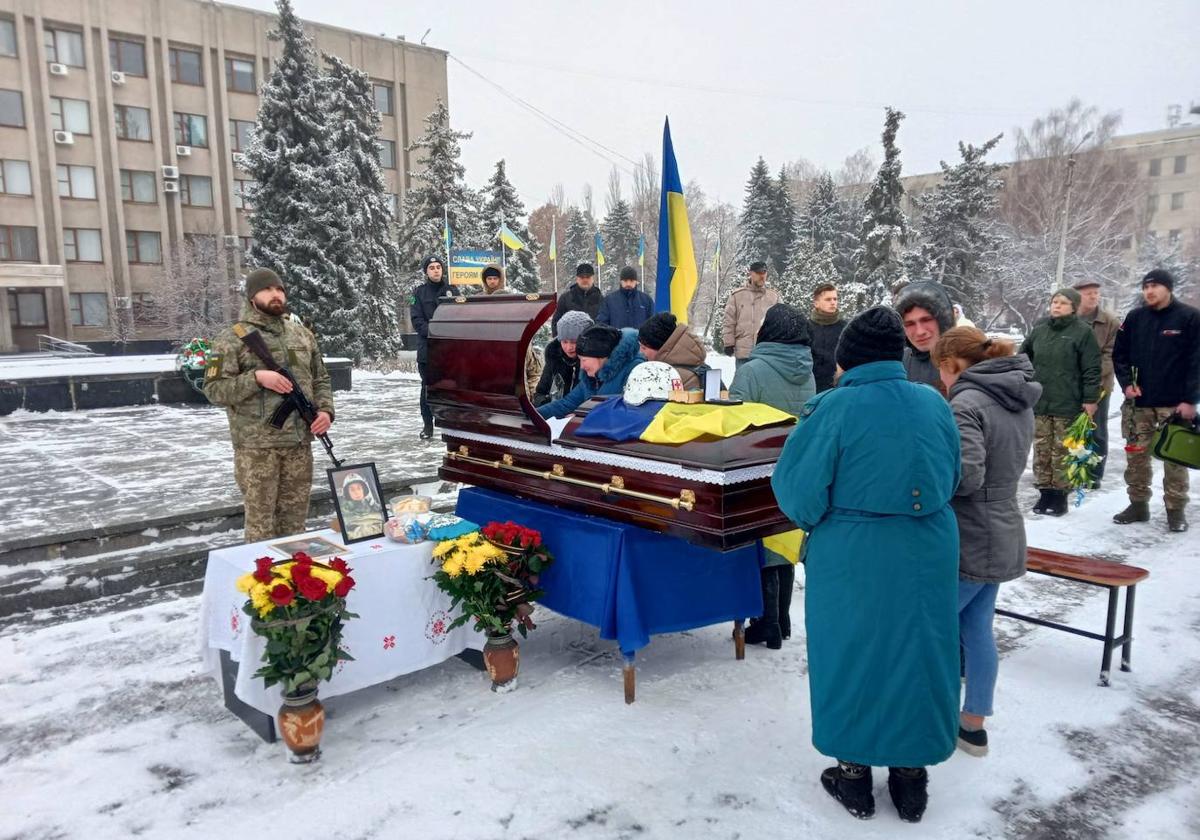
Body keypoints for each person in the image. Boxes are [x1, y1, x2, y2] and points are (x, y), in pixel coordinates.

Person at [771, 306, 961, 823]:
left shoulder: (832, 408)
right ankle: (910, 777)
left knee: (852, 652)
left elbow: (797, 495)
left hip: (855, 549)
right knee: (920, 653)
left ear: (845, 359)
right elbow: (954, 473)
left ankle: (853, 774)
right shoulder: (933, 403)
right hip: (929, 548)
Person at [932, 326, 1041, 759]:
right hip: (1005, 524)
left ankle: (928, 712)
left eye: (942, 371)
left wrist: (928, 481)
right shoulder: (1016, 395)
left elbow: (968, 474)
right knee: (977, 629)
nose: (941, 381)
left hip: (972, 531)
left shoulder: (967, 401)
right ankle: (973, 725)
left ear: (952, 364)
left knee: (932, 625)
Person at [204, 268, 334, 543]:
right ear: (252, 297)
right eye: (267, 289)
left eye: (280, 289)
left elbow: (320, 377)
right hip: (257, 450)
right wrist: (257, 378)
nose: (276, 295)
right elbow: (214, 390)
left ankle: (296, 582)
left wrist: (325, 411)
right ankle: (264, 584)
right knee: (261, 527)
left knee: (295, 525)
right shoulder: (231, 338)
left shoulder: (302, 335)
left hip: (299, 445)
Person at [729, 303, 815, 649]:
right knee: (786, 537)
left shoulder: (753, 370)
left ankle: (766, 624)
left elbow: (735, 421)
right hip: (795, 465)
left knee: (762, 542)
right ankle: (783, 620)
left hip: (758, 467)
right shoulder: (806, 370)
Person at [1112, 268, 1200, 533]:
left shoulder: (1189, 318)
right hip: (1140, 404)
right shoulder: (1135, 318)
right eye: (1145, 287)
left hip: (1173, 406)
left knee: (1174, 460)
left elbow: (1197, 362)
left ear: (1168, 289)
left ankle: (1175, 510)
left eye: (1155, 286)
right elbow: (1120, 354)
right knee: (1136, 457)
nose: (1149, 291)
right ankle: (1138, 504)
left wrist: (1189, 400)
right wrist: (1127, 384)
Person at [1020, 288, 1101, 517]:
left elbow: (1091, 368)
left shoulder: (1082, 332)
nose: (1057, 306)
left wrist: (1090, 398)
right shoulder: (1039, 331)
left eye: (1063, 303)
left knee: (1062, 451)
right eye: (1054, 302)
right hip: (1041, 401)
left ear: (1074, 307)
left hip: (1068, 402)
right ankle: (1044, 492)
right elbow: (1023, 358)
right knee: (1042, 450)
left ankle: (1060, 497)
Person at [536, 324, 644, 419]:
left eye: (584, 360)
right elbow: (567, 403)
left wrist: (584, 417)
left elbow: (628, 412)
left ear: (601, 356)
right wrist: (535, 414)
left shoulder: (636, 370)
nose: (582, 366)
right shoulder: (590, 377)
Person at [1074, 279, 1121, 488]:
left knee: (1096, 430)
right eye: (1088, 293)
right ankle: (1073, 471)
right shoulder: (1069, 318)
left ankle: (1094, 475)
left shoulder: (1109, 321)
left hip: (1099, 386)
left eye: (1096, 293)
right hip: (1069, 385)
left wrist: (1087, 375)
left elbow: (1110, 354)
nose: (1093, 297)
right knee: (1072, 429)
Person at [410, 255, 453, 439]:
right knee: (427, 389)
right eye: (432, 267)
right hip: (428, 350)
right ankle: (428, 425)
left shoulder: (452, 290)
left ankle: (447, 422)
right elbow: (417, 321)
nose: (436, 270)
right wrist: (436, 331)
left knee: (450, 388)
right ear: (426, 272)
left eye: (438, 267)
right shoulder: (418, 293)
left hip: (449, 350)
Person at [894, 281, 955, 393]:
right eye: (910, 324)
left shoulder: (967, 359)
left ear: (943, 321)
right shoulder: (898, 364)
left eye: (926, 320)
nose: (920, 332)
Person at [722, 260, 779, 369]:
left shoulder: (773, 297)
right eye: (758, 273)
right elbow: (729, 321)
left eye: (764, 273)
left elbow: (781, 323)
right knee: (743, 382)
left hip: (766, 352)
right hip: (744, 352)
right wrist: (728, 343)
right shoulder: (737, 296)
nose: (761, 276)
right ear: (751, 274)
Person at [637, 311, 709, 391]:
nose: (640, 351)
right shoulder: (693, 366)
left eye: (644, 348)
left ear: (660, 347)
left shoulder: (673, 376)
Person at [533, 310, 591, 407]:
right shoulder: (554, 358)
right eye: (564, 342)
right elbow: (539, 393)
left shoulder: (593, 363)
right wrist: (546, 405)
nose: (569, 348)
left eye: (573, 342)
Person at [809, 283, 845, 393]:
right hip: (812, 387)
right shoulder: (806, 328)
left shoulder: (846, 328)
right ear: (816, 303)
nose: (833, 302)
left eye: (835, 299)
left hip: (839, 387)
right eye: (828, 299)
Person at [551, 263, 603, 335]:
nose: (585, 280)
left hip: (594, 342)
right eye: (582, 277)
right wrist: (559, 343)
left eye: (588, 277)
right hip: (571, 343)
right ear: (577, 279)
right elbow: (556, 323)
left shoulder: (601, 299)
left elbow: (606, 324)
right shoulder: (565, 298)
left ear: (592, 278)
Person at [339, 472, 384, 540]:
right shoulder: (344, 513)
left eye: (359, 488)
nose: (357, 492)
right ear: (348, 493)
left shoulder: (376, 508)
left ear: (364, 489)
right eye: (352, 490)